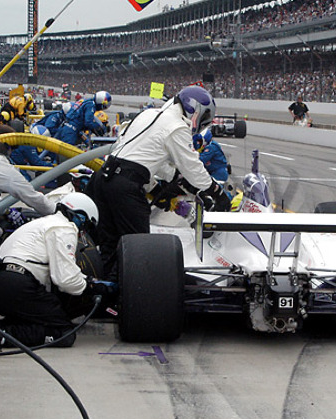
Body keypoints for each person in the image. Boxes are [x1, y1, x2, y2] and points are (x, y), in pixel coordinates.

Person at [86, 86, 230, 279]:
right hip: (125, 188)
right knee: (139, 251)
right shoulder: (177, 126)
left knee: (109, 247)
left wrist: (158, 187)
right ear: (195, 110)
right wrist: (216, 192)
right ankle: (135, 299)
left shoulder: (150, 114)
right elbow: (191, 167)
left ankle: (104, 295)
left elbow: (149, 159)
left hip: (103, 178)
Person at [0, 193, 108, 349]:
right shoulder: (64, 228)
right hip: (16, 284)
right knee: (63, 333)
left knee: (37, 319)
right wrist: (94, 286)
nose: (82, 234)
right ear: (81, 217)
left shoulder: (43, 223)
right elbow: (65, 279)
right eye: (87, 227)